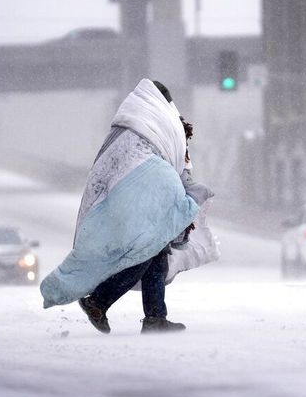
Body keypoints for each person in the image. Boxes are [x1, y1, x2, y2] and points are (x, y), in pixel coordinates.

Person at [40, 79, 215, 334]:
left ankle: (155, 317)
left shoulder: (127, 127)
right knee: (144, 252)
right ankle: (98, 301)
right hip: (138, 199)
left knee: (155, 254)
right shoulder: (158, 124)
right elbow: (171, 163)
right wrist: (185, 193)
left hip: (125, 199)